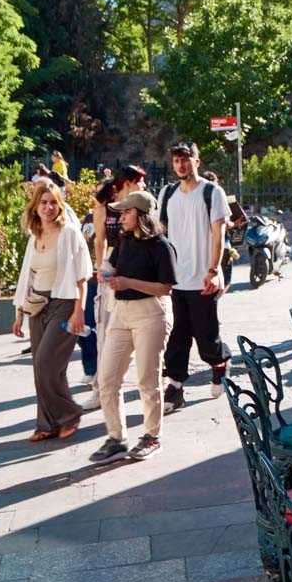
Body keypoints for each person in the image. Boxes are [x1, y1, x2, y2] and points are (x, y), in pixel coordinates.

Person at [91, 189, 176, 462]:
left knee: (147, 380)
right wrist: (107, 274)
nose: (121, 217)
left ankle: (152, 436)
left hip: (150, 313)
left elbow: (165, 287)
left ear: (141, 215)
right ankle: (117, 438)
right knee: (107, 379)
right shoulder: (125, 240)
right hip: (120, 312)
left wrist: (128, 282)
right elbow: (114, 268)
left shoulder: (161, 246)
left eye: (127, 212)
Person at [12, 177, 92, 444]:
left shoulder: (69, 233)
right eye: (43, 203)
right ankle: (47, 424)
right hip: (37, 305)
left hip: (64, 303)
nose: (48, 208)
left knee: (46, 362)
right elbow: (27, 275)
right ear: (35, 207)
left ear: (60, 206)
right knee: (43, 367)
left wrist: (78, 310)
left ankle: (69, 414)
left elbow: (82, 276)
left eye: (53, 203)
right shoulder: (34, 237)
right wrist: (19, 313)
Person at [157, 141, 230, 404]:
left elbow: (218, 233)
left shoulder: (212, 192)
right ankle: (175, 385)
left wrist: (214, 270)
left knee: (206, 336)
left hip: (202, 278)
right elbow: (160, 233)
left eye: (186, 159)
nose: (181, 165)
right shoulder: (167, 194)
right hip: (176, 280)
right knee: (177, 335)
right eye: (176, 160)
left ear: (197, 162)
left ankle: (220, 364)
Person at [80, 163, 146, 411]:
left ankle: (150, 384)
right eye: (139, 181)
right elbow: (99, 240)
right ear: (128, 183)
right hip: (111, 269)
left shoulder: (140, 204)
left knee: (141, 330)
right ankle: (100, 388)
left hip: (136, 270)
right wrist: (100, 269)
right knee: (104, 330)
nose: (143, 186)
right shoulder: (105, 205)